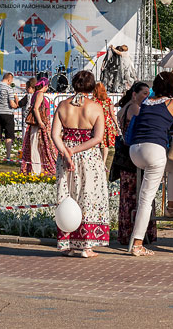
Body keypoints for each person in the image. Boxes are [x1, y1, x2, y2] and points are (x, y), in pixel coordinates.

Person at [52, 70, 108, 257]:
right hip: (88, 156)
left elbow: (55, 135)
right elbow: (98, 138)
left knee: (68, 194)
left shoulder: (62, 105)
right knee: (88, 196)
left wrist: (66, 153)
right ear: (92, 87)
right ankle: (87, 245)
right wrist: (75, 150)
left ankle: (67, 243)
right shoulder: (95, 107)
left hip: (65, 154)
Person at [127, 71, 173, 256]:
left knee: (144, 193)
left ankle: (135, 239)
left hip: (135, 149)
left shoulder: (146, 102)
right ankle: (137, 243)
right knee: (146, 198)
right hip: (154, 149)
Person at [113, 82, 157, 245]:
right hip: (134, 156)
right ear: (134, 94)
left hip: (125, 157)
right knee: (139, 195)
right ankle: (139, 232)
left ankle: (126, 231)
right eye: (144, 93)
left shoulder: (124, 109)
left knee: (127, 196)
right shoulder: (135, 109)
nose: (147, 96)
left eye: (148, 93)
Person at [21, 77, 57, 175]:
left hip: (36, 124)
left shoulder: (35, 94)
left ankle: (36, 167)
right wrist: (41, 122)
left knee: (36, 144)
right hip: (39, 124)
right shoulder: (40, 94)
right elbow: (36, 108)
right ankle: (37, 168)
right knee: (39, 145)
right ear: (45, 86)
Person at [0, 73, 19, 161]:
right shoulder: (9, 89)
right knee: (8, 136)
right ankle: (8, 157)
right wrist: (16, 101)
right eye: (11, 81)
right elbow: (12, 104)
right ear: (9, 79)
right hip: (7, 113)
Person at [91, 82, 118, 169]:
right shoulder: (108, 100)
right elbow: (112, 114)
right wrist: (116, 124)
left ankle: (97, 161)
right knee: (106, 144)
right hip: (107, 123)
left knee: (97, 142)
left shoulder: (93, 100)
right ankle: (103, 161)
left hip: (97, 122)